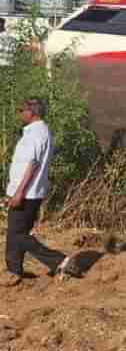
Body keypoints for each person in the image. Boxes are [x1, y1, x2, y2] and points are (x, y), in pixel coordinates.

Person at [5, 98, 77, 285]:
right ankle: (14, 272)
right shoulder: (37, 131)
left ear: (32, 112)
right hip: (29, 192)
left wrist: (19, 192)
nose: (20, 112)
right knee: (16, 234)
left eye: (22, 109)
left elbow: (33, 164)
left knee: (17, 235)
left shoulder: (36, 134)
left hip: (27, 193)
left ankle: (59, 260)